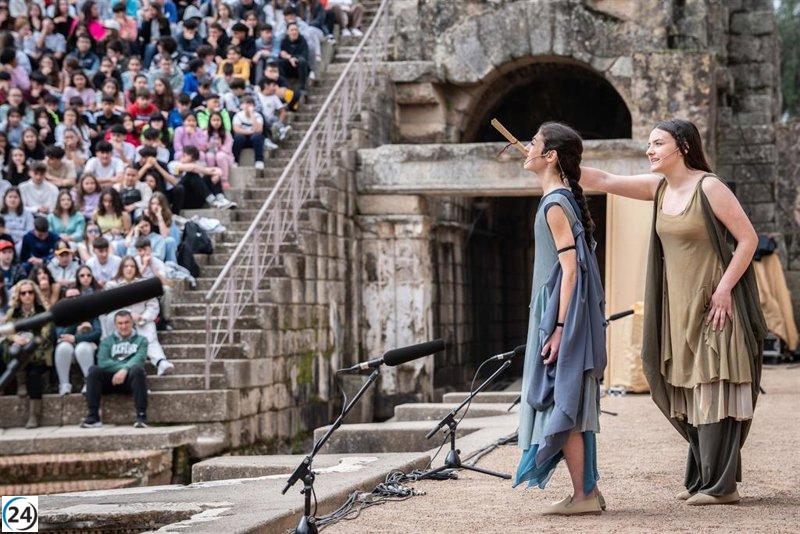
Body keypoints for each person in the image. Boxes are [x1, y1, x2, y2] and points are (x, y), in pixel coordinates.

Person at [579, 119, 766, 506]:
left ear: (682, 146)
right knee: (686, 389)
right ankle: (703, 477)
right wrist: (557, 163)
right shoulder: (658, 188)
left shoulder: (709, 187)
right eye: (649, 144)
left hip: (714, 304)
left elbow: (748, 239)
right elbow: (606, 179)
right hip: (676, 307)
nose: (650, 150)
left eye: (657, 143)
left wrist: (724, 290)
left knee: (714, 385)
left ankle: (722, 486)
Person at [514, 123, 606, 515]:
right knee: (567, 398)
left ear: (550, 155)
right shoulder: (561, 199)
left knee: (560, 399)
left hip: (558, 314)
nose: (526, 149)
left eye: (533, 143)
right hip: (559, 312)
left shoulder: (554, 204)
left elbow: (570, 271)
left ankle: (584, 496)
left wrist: (557, 329)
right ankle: (588, 490)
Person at [104, 256, 174, 375]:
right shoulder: (112, 285)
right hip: (121, 321)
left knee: (148, 332)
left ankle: (161, 362)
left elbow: (153, 306)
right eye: (126, 266)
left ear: (136, 268)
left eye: (132, 266)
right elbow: (111, 306)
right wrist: (130, 314)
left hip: (141, 320)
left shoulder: (144, 284)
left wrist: (143, 317)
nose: (129, 269)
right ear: (121, 268)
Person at [81, 309, 149, 428]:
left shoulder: (141, 340)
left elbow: (139, 359)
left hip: (130, 381)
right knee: (94, 370)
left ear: (132, 323)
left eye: (126, 322)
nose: (123, 326)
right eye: (120, 323)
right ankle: (93, 417)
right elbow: (103, 362)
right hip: (110, 381)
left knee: (138, 370)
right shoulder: (106, 341)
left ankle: (141, 416)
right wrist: (123, 368)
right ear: (115, 325)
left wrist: (125, 370)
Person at [0, 279, 53, 428]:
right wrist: (15, 338)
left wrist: (30, 340)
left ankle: (33, 416)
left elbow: (45, 334)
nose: (27, 295)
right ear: (19, 295)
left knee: (34, 376)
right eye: (23, 293)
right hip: (20, 352)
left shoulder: (43, 312)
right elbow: (7, 331)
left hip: (39, 353)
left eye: (30, 292)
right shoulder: (13, 312)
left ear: (35, 294)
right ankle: (20, 382)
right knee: (11, 349)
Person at [54, 286, 102, 395]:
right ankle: (64, 384)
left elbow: (98, 332)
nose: (74, 299)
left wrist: (76, 338)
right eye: (70, 297)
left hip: (86, 347)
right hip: (68, 348)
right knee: (63, 347)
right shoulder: (60, 314)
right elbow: (61, 335)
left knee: (82, 347)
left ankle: (89, 382)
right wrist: (77, 319)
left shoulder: (89, 312)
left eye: (77, 296)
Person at [232, 96, 265, 169]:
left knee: (257, 136)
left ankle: (259, 161)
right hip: (242, 139)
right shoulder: (238, 115)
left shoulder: (258, 116)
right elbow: (236, 129)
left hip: (254, 140)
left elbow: (258, 130)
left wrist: (252, 114)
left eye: (249, 104)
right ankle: (234, 161)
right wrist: (251, 131)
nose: (247, 106)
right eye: (245, 104)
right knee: (238, 137)